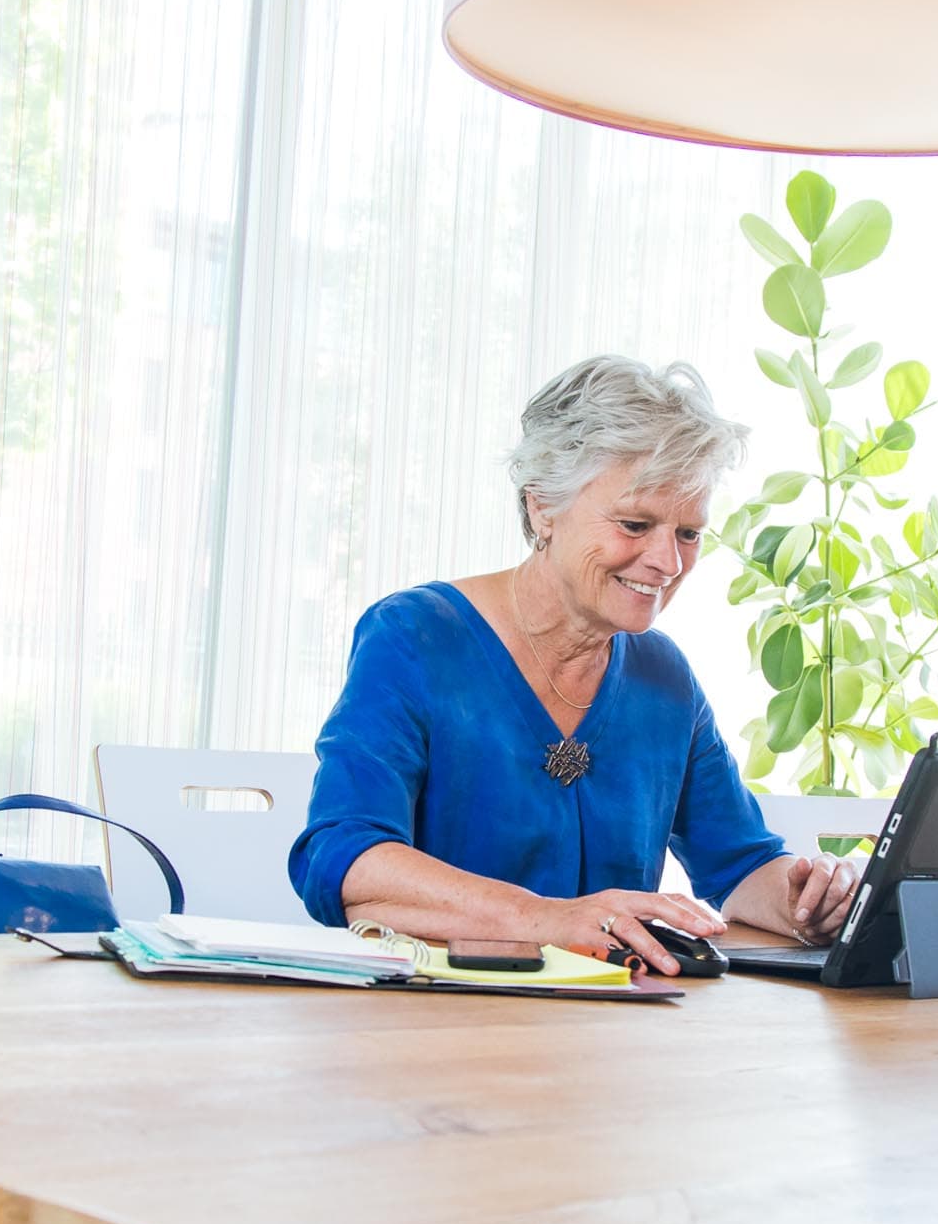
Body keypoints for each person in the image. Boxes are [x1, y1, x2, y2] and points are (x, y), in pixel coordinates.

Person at [289, 355, 861, 974]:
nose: (667, 562)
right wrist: (547, 918)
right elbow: (344, 859)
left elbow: (741, 863)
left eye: (689, 534)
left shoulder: (663, 676)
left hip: (609, 1028)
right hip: (435, 1025)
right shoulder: (414, 635)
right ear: (543, 508)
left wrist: (813, 900)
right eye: (635, 524)